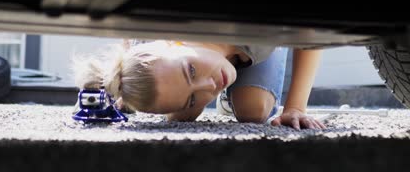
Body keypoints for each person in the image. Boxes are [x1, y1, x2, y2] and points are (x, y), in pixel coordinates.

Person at [72, 39, 326, 130]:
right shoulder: (172, 62)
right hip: (181, 57)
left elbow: (309, 31)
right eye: (194, 96)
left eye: (191, 71)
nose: (209, 86)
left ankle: (226, 97)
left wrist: (295, 107)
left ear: (174, 42)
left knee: (253, 111)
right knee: (181, 116)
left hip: (260, 38)